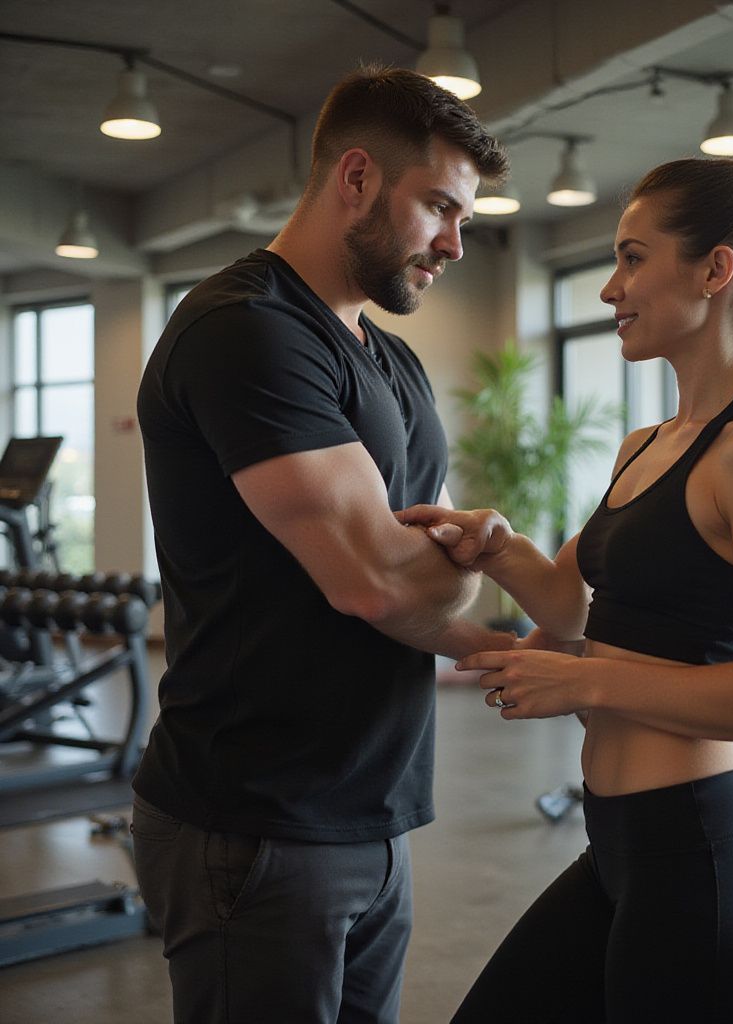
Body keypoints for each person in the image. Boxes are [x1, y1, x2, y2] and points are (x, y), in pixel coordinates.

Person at [400, 157, 733, 1023]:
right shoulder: (648, 444)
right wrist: (499, 546)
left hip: (713, 858)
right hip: (622, 849)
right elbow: (569, 603)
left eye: (634, 258)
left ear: (716, 271)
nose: (611, 288)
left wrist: (587, 681)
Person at [132, 64, 511, 1024]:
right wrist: (458, 570)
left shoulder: (391, 357)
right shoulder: (246, 331)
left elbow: (438, 552)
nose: (456, 243)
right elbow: (383, 585)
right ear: (356, 177)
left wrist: (514, 652)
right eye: (439, 207)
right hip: (253, 827)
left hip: (372, 812)